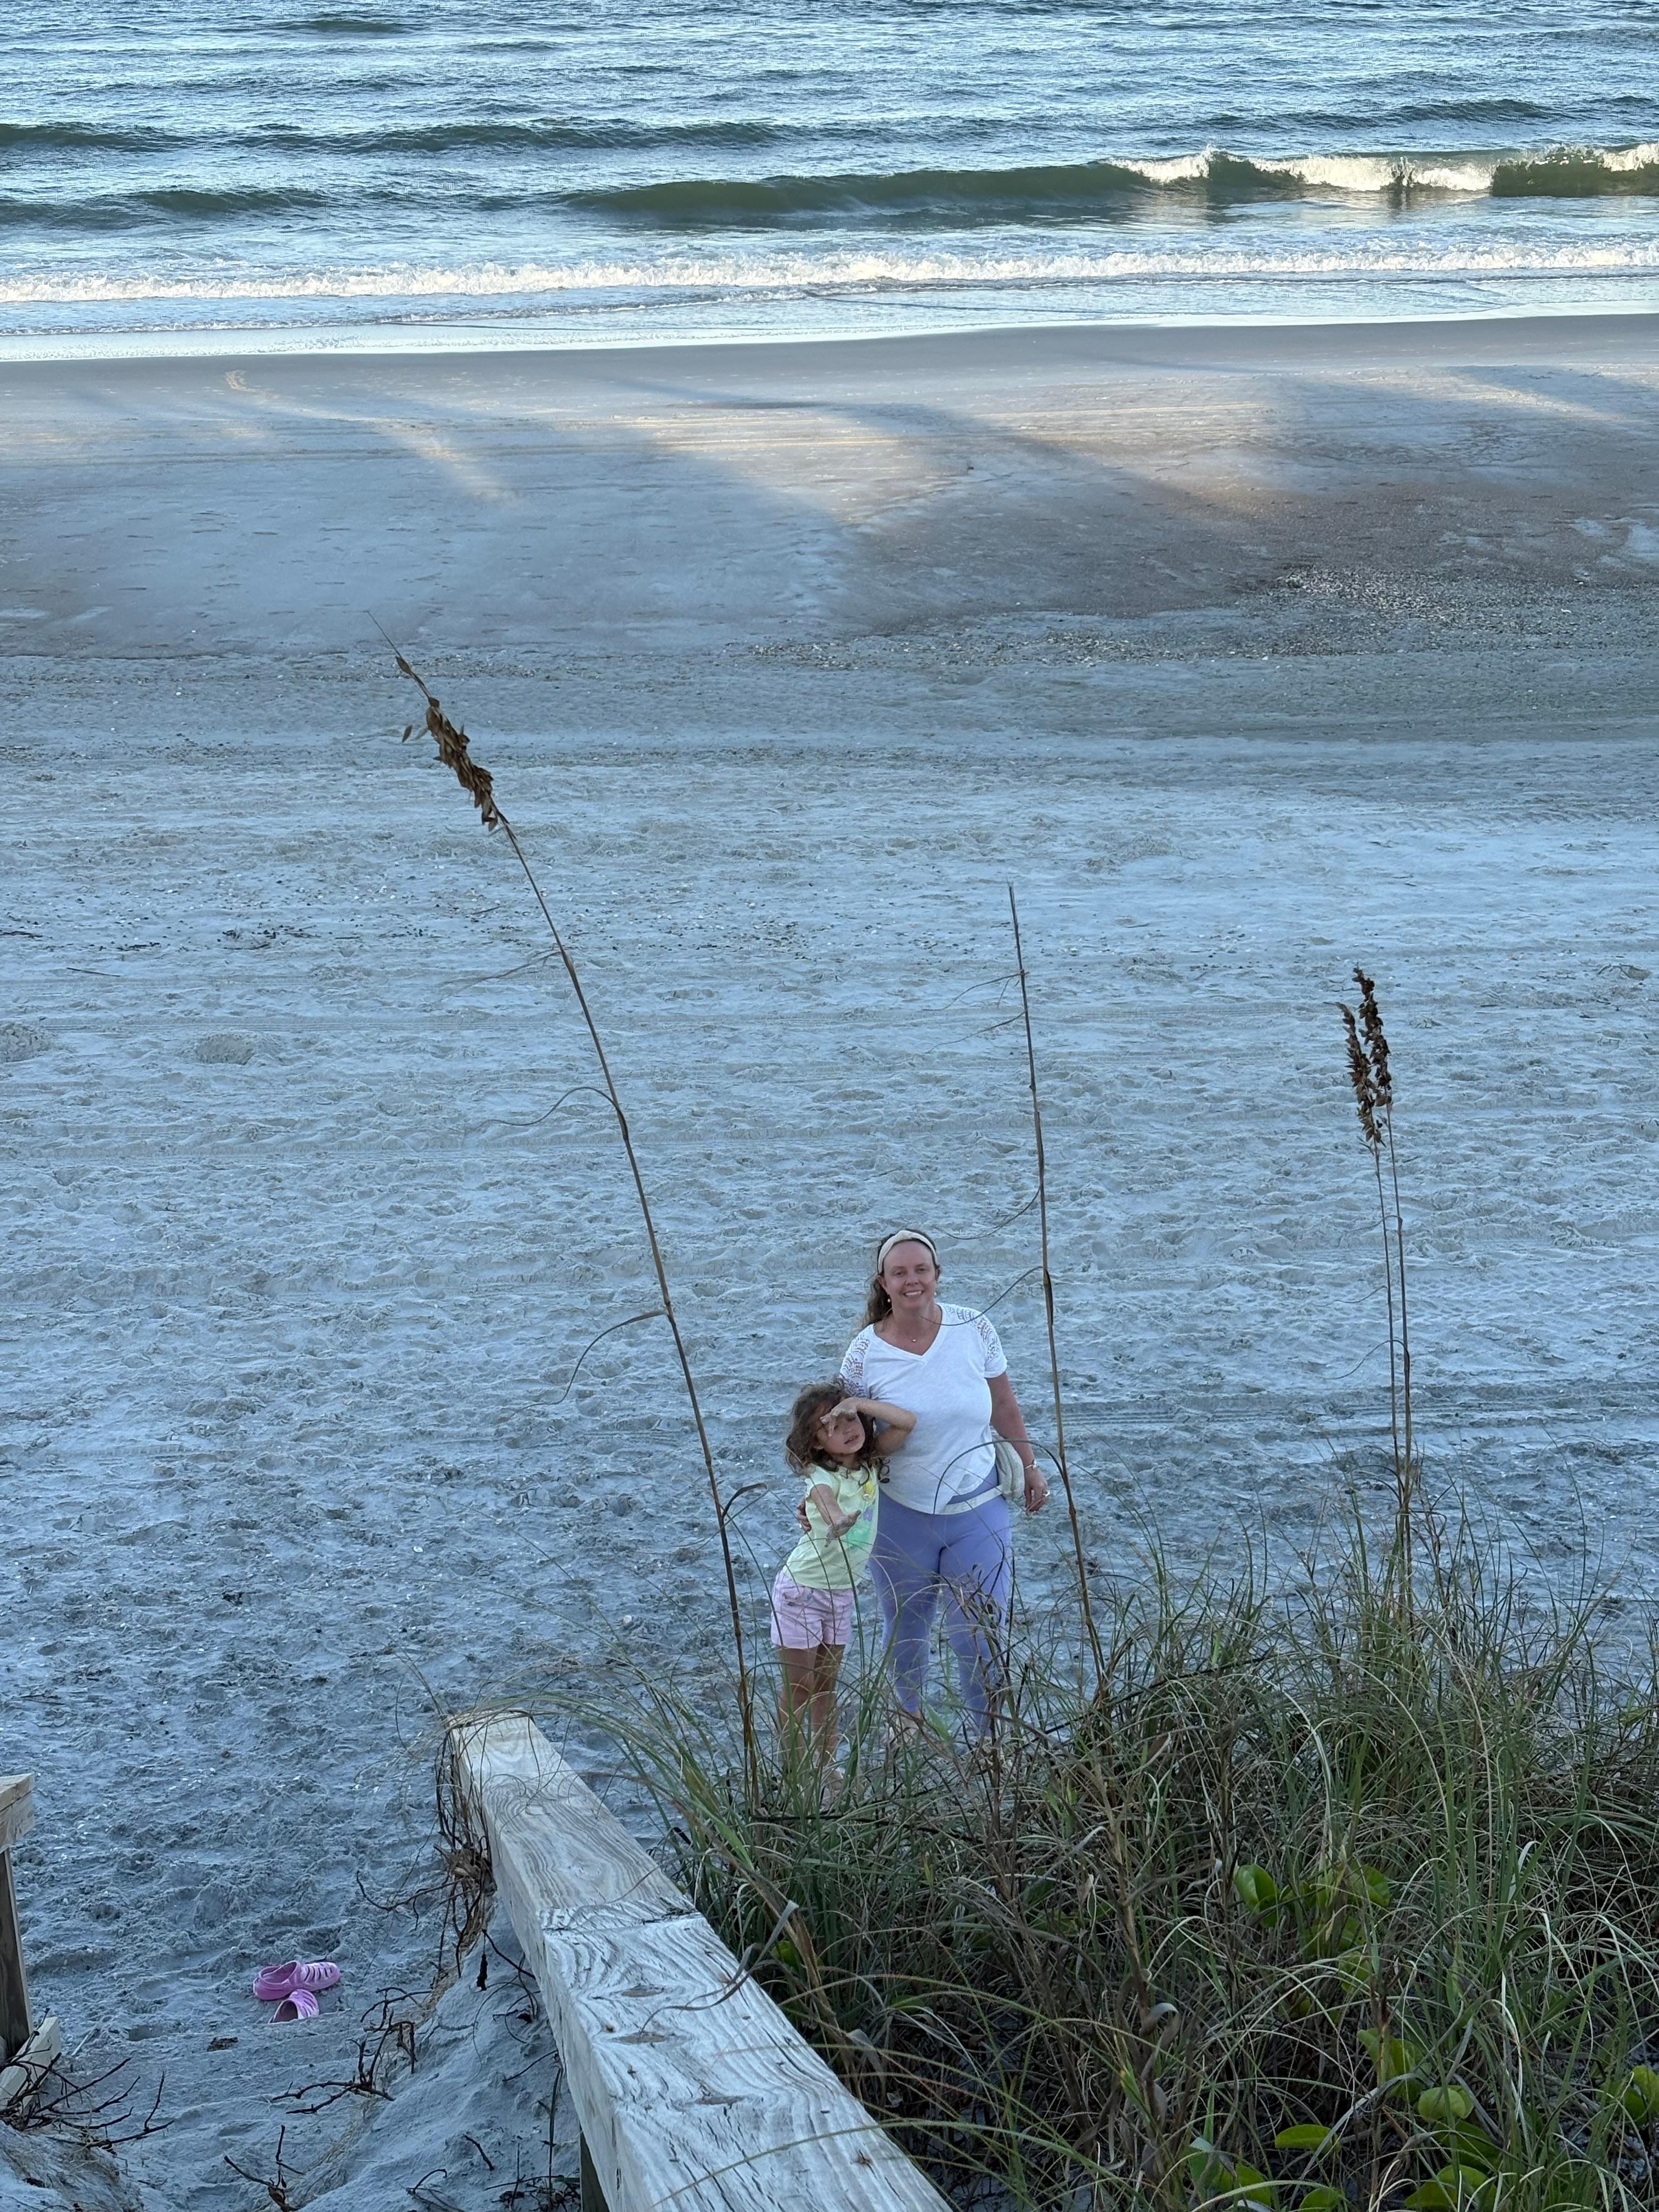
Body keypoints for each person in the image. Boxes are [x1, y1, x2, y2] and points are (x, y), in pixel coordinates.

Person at [839, 1229, 1048, 1733]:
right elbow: (845, 1436)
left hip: (978, 1508)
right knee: (906, 1632)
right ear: (884, 1284)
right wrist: (821, 1496)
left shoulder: (974, 1327)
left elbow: (1004, 1405)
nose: (912, 1281)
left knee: (978, 1635)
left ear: (937, 1275)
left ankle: (987, 1744)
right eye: (900, 1273)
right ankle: (909, 1733)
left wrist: (1031, 1463)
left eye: (921, 1270)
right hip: (899, 1513)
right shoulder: (864, 1353)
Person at [771, 1380, 917, 1772]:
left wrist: (860, 1403)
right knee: (798, 1689)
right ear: (816, 1443)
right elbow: (825, 1501)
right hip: (802, 1591)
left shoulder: (869, 1464)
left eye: (851, 1419)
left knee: (826, 1689)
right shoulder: (821, 1475)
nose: (847, 1428)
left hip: (840, 1594)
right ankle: (792, 1771)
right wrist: (837, 1521)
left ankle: (826, 1768)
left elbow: (907, 1423)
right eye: (830, 1426)